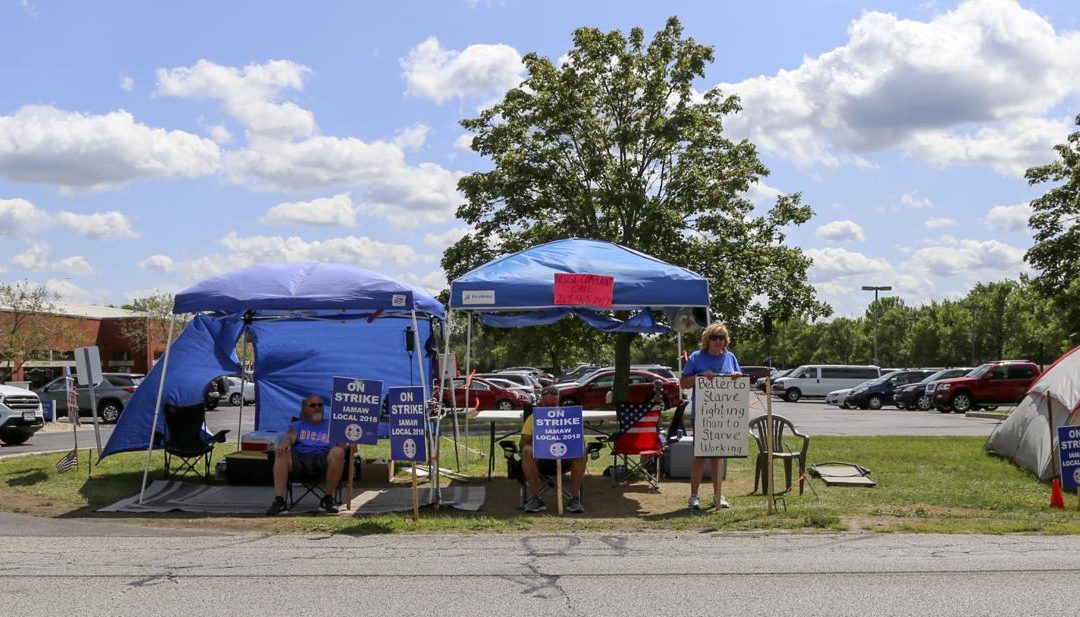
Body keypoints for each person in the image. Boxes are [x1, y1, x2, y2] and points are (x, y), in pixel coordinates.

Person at [680, 322, 742, 511]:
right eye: (714, 337)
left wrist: (737, 376)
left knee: (717, 457)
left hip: (724, 415)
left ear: (725, 341)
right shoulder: (696, 357)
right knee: (700, 456)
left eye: (721, 337)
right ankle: (694, 496)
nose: (717, 341)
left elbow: (740, 378)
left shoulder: (730, 357)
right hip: (702, 415)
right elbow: (684, 382)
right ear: (707, 340)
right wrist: (700, 376)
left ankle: (718, 495)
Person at [266, 394, 347, 515]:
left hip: (323, 459)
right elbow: (290, 438)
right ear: (306, 409)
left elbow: (343, 445)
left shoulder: (333, 425)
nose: (317, 408)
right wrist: (285, 443)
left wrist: (350, 445)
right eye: (313, 405)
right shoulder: (298, 425)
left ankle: (328, 499)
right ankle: (279, 501)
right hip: (300, 460)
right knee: (282, 452)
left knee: (338, 452)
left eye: (320, 405)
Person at [520, 385, 586, 513]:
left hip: (566, 458)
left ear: (559, 403)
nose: (550, 408)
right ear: (540, 404)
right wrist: (540, 444)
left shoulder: (570, 418)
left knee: (581, 449)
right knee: (527, 451)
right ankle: (536, 498)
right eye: (546, 405)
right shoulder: (533, 419)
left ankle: (574, 498)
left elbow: (579, 440)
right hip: (541, 459)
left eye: (553, 404)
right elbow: (523, 444)